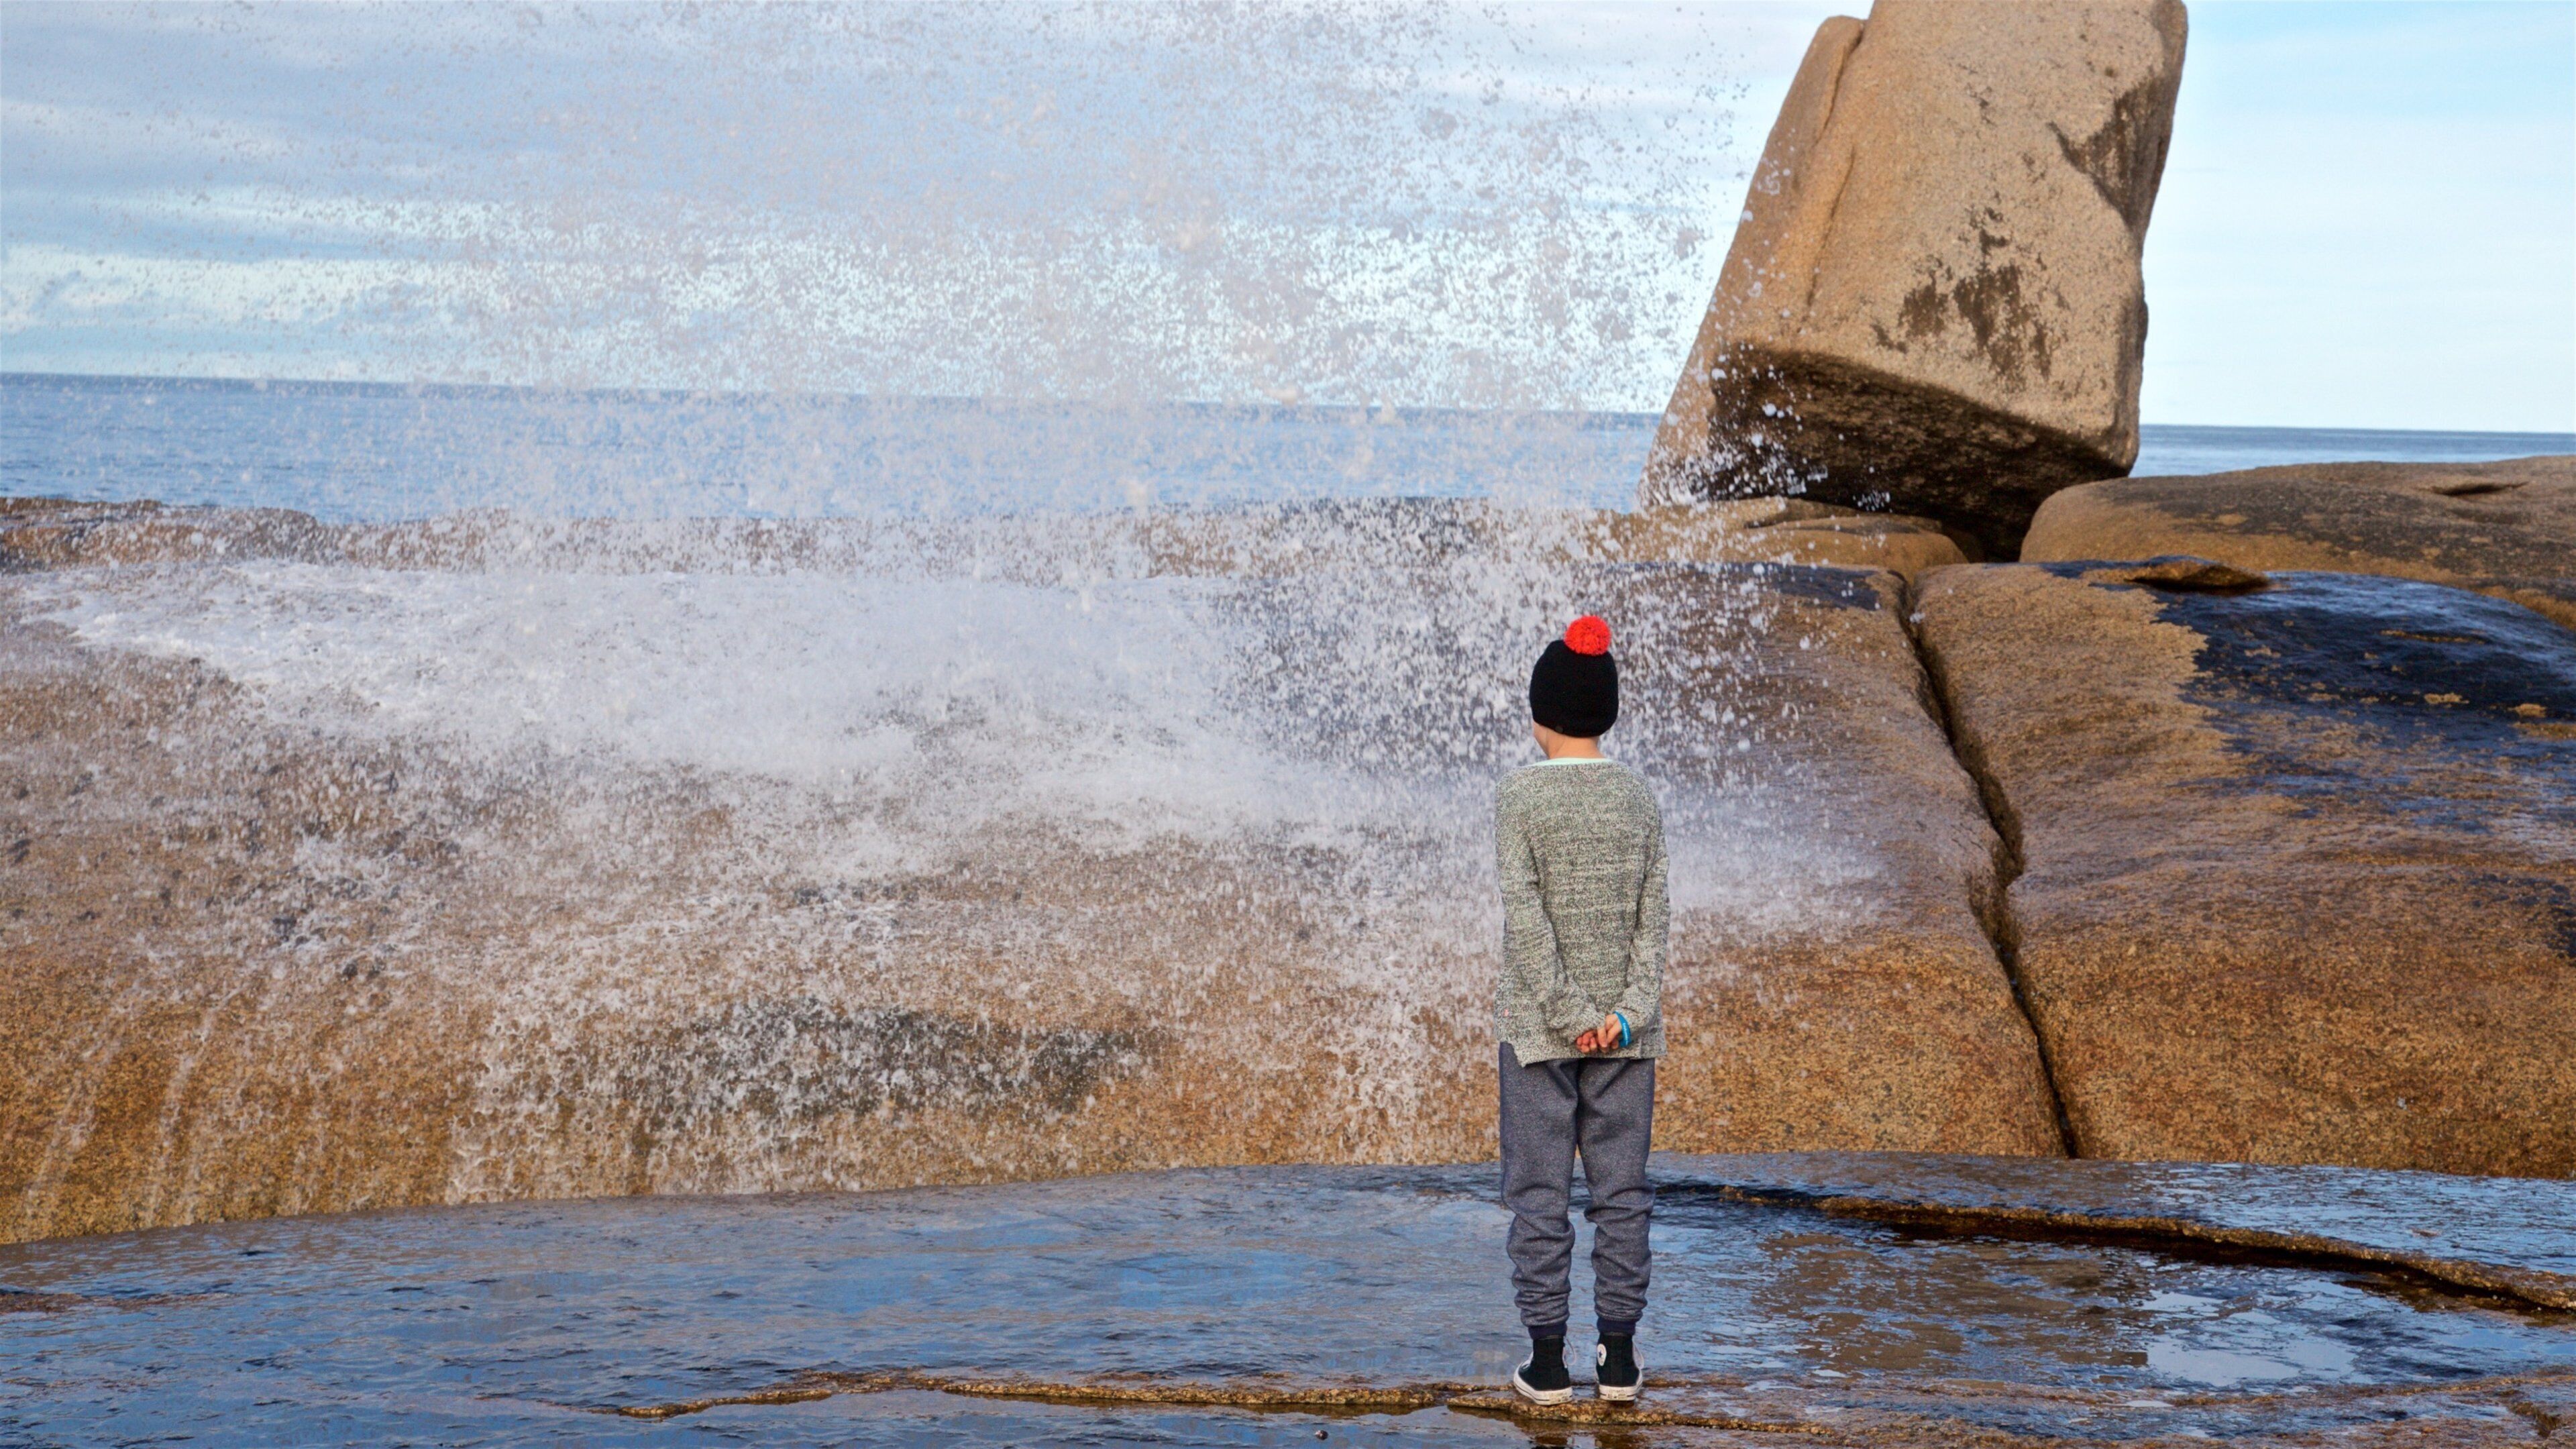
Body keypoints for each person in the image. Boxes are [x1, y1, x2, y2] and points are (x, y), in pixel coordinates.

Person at [1493, 614, 1666, 1406]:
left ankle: (1549, 1363)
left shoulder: (1518, 799)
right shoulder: (1639, 797)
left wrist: (1566, 1013)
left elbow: (1525, 920)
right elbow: (1653, 920)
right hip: (1626, 1038)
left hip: (1538, 1034)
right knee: (1621, 1193)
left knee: (1539, 1192)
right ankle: (1622, 1360)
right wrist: (1622, 1016)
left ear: (1542, 714)